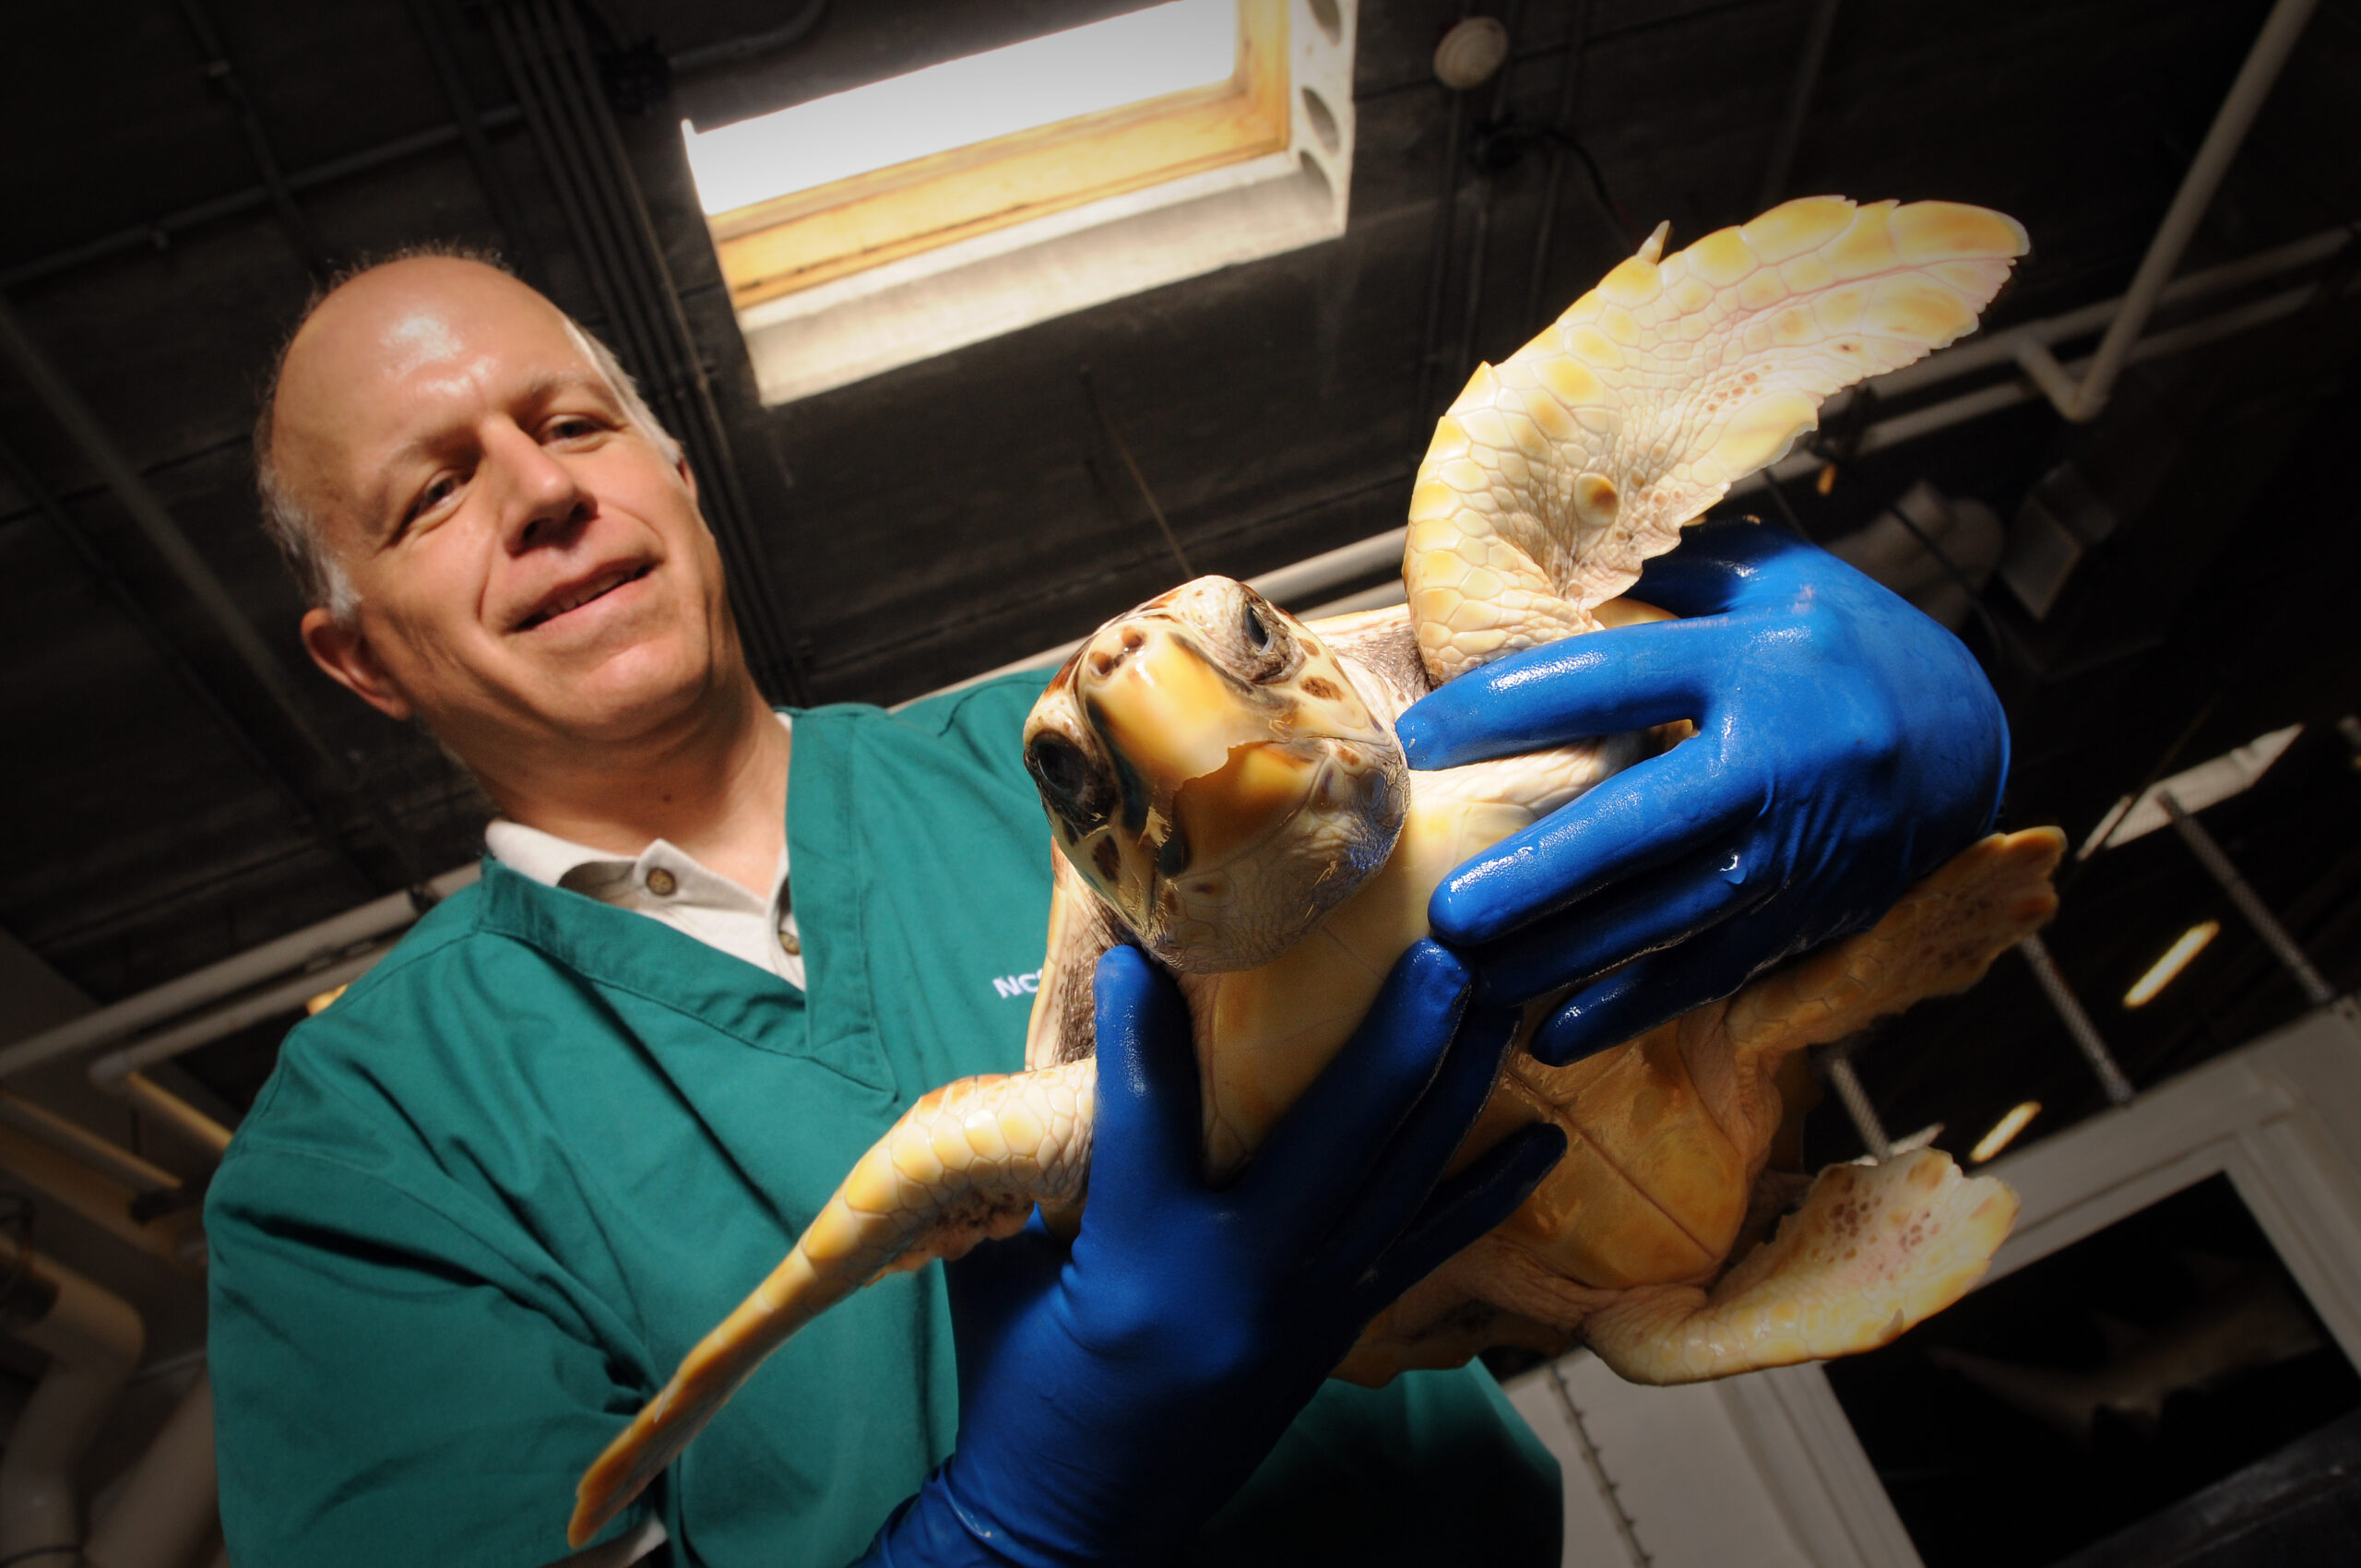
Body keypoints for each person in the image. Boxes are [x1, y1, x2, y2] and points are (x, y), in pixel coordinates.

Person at [206, 251, 2009, 1568]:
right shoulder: (358, 1153)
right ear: (356, 657)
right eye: (435, 490)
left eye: (573, 419)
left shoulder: (1055, 745)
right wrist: (1008, 1535)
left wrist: (1795, 625)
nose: (539, 492)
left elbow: (1526, 693)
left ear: (677, 471)